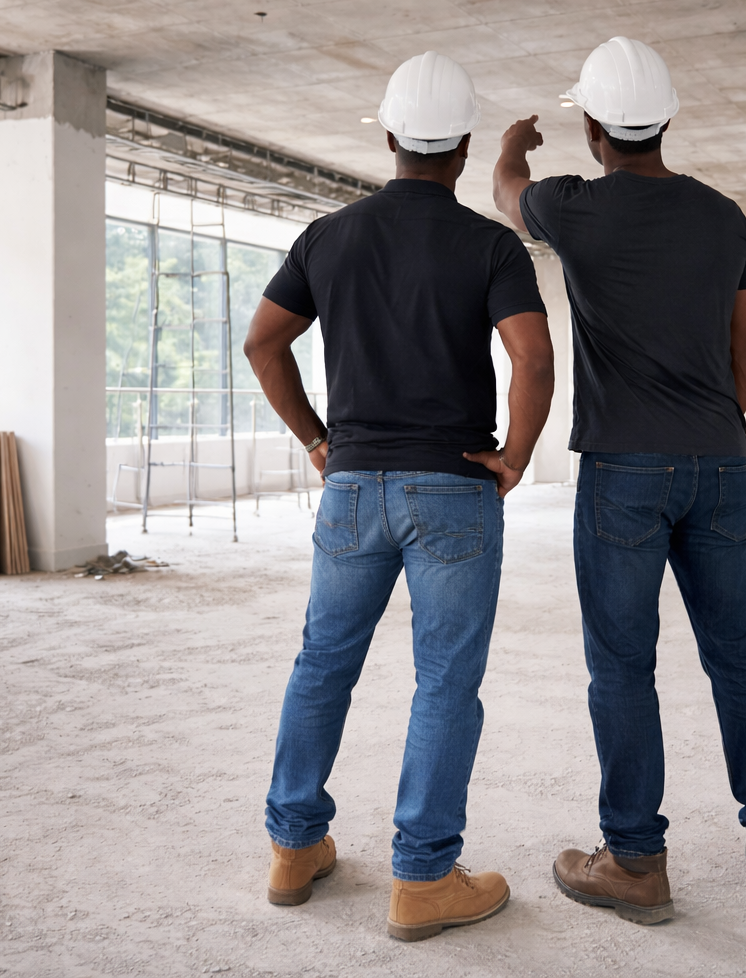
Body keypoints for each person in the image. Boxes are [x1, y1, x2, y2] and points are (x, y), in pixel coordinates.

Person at [491, 36, 746, 925]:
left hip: (624, 470)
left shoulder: (575, 207)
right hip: (720, 464)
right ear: (666, 119)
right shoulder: (724, 216)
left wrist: (516, 140)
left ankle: (633, 860)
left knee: (623, 665)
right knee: (739, 651)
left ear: (592, 124)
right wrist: (713, 431)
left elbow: (505, 192)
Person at [245, 50, 555, 942]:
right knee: (446, 682)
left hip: (351, 488)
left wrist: (316, 439)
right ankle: (422, 880)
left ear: (388, 140)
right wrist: (517, 458)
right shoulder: (489, 244)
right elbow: (532, 358)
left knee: (321, 666)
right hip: (453, 487)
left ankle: (295, 847)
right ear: (460, 150)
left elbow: (265, 345)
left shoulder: (326, 236)